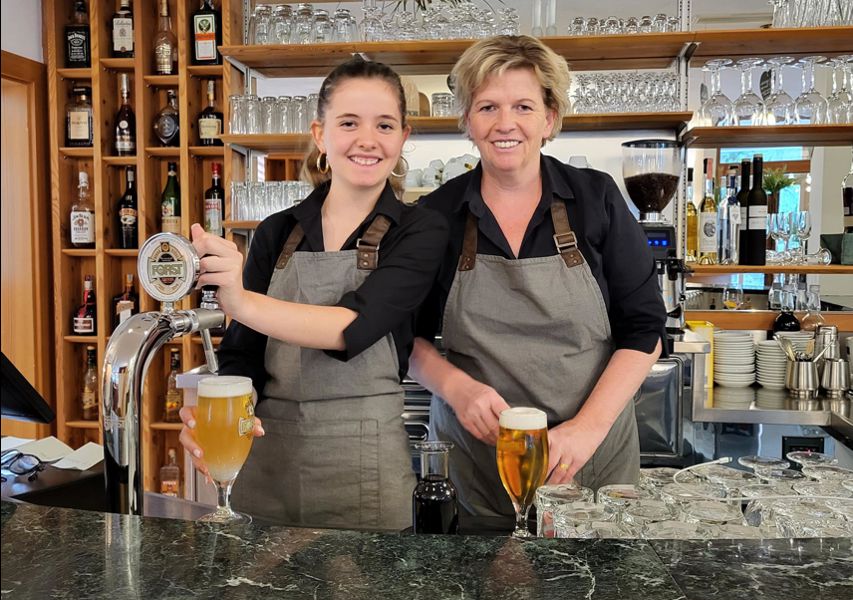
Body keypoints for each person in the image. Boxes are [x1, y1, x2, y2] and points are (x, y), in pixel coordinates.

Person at [179, 57, 449, 531]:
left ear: (403, 137)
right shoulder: (275, 232)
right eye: (349, 123)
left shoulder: (421, 231)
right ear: (321, 134)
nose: (367, 139)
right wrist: (214, 408)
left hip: (367, 468)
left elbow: (351, 327)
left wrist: (239, 300)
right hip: (267, 463)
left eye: (384, 124)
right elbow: (243, 353)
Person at [408, 35, 666, 519]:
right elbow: (403, 335)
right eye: (487, 107)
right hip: (478, 465)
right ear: (467, 120)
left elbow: (646, 328)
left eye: (523, 106)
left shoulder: (595, 199)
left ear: (549, 119)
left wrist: (587, 429)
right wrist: (455, 388)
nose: (505, 124)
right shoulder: (436, 215)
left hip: (589, 457)